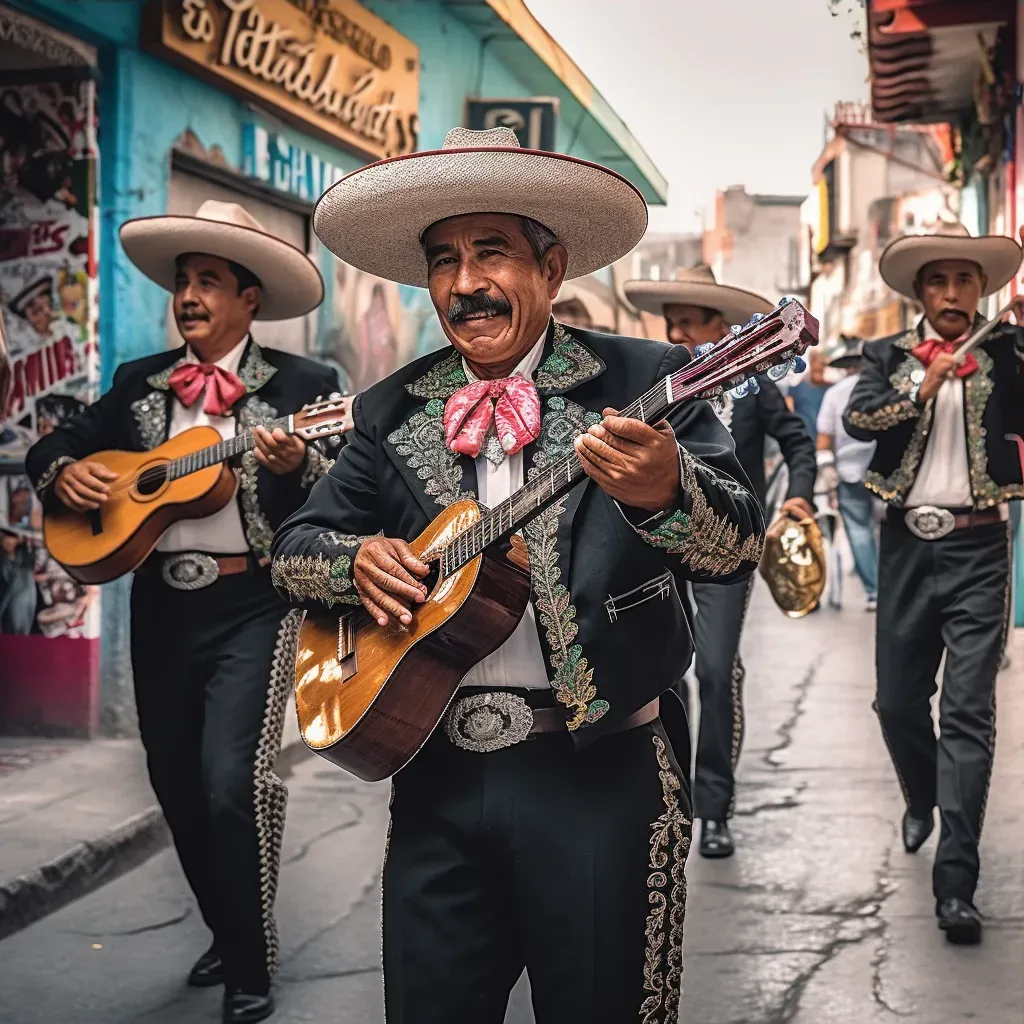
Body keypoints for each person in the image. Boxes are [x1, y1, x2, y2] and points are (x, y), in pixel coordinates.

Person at [271, 126, 765, 1023]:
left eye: (491, 252)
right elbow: (296, 550)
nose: (466, 284)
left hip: (602, 772)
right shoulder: (390, 407)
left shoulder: (649, 378)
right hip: (438, 770)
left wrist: (667, 492)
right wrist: (357, 560)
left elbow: (736, 548)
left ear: (551, 265)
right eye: (445, 261)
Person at [26, 200, 340, 1022]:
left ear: (250, 299)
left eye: (209, 281)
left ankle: (249, 964)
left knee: (230, 780)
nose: (190, 295)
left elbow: (348, 492)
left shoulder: (308, 389)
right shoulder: (140, 383)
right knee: (174, 782)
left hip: (255, 601)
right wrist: (62, 472)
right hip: (162, 601)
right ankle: (226, 926)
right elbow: (57, 440)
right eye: (183, 282)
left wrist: (300, 460)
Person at [844, 220, 1024, 947]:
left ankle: (957, 884)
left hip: (982, 546)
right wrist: (923, 382)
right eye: (939, 282)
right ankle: (922, 796)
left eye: (965, 281)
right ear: (920, 292)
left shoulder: (1011, 351)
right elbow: (860, 421)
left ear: (982, 289)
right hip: (906, 548)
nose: (953, 294)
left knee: (969, 716)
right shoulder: (887, 356)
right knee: (895, 702)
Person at [624, 265, 816, 858]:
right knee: (664, 673)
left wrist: (799, 496)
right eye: (672, 320)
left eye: (691, 320)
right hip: (658, 545)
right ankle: (668, 794)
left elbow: (799, 442)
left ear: (720, 326)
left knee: (715, 669)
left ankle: (714, 807)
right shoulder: (649, 383)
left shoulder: (755, 386)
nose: (678, 330)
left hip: (730, 550)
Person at [815, 335, 878, 610]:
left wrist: (828, 472)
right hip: (887, 469)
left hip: (849, 472)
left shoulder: (835, 393)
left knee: (860, 532)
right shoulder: (884, 387)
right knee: (889, 532)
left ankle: (875, 591)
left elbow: (824, 439)